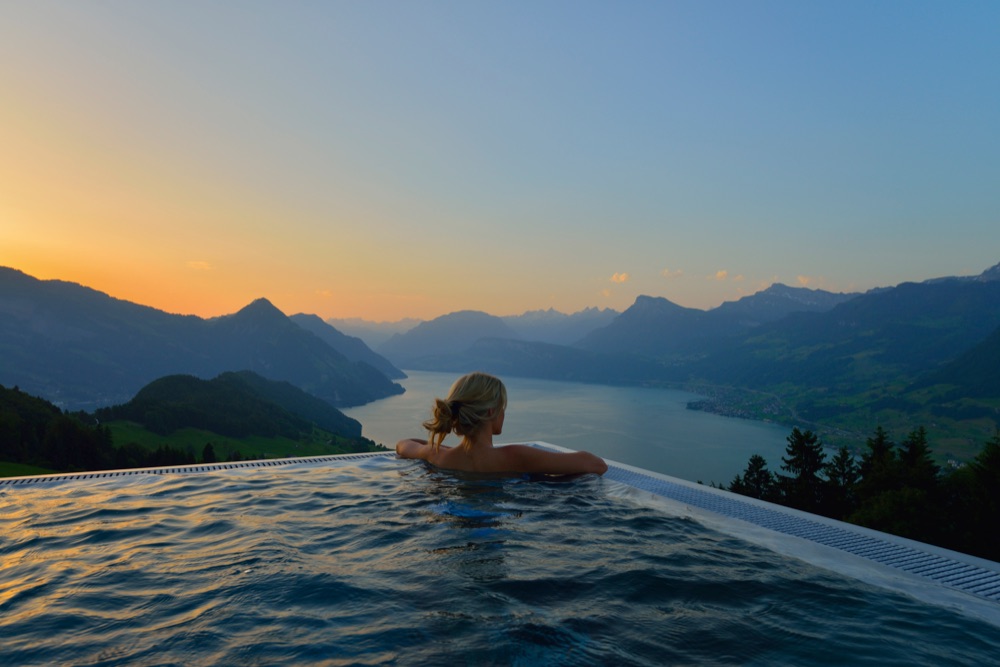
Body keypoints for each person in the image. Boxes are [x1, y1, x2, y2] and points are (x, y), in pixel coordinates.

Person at [395, 371, 608, 476]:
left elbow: (402, 445)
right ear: (490, 412)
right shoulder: (516, 457)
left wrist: (443, 448)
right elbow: (596, 464)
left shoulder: (437, 455)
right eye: (502, 407)